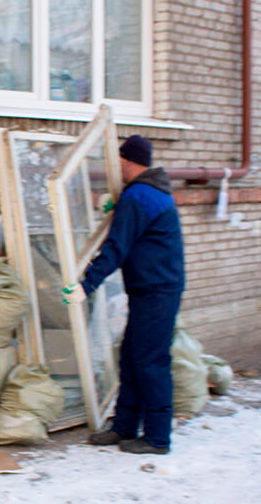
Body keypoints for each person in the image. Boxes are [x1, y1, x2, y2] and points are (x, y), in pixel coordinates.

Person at [62, 135, 185, 455]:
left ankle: (158, 438)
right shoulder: (146, 193)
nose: (114, 166)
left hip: (157, 291)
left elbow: (116, 247)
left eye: (117, 160)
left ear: (127, 161)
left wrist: (85, 286)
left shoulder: (140, 196)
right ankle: (125, 426)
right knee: (132, 358)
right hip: (151, 290)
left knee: (151, 362)